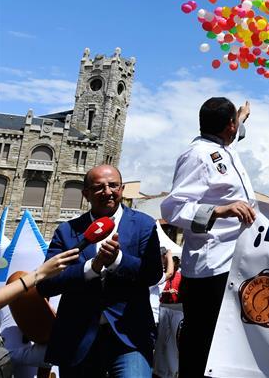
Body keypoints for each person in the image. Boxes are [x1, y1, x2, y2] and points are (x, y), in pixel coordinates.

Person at [161, 98, 257, 378]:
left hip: (234, 265)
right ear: (228, 125)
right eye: (234, 124)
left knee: (227, 346)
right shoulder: (197, 155)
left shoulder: (224, 146)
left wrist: (241, 117)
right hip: (209, 270)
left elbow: (233, 139)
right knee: (201, 348)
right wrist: (219, 209)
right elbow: (173, 207)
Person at [38, 164, 162, 377]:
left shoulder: (144, 225)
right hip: (78, 339)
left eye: (113, 185)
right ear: (85, 194)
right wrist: (91, 268)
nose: (107, 192)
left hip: (129, 336)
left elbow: (152, 274)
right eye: (99, 187)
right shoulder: (67, 231)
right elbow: (46, 284)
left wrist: (119, 260)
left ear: (122, 189)